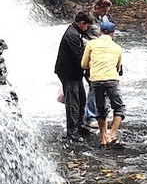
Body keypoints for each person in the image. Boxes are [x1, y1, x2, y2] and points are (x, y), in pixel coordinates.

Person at [81, 19, 125, 147]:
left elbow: (83, 65)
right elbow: (118, 68)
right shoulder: (117, 48)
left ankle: (103, 137)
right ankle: (112, 135)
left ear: (100, 32)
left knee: (100, 109)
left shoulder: (91, 44)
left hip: (95, 80)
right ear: (113, 33)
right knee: (119, 107)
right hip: (111, 79)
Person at [53, 11, 92, 139]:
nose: (88, 28)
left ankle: (80, 126)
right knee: (72, 102)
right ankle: (72, 131)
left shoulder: (77, 32)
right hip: (68, 72)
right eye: (87, 25)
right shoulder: (72, 35)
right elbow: (79, 56)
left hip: (75, 72)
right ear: (82, 23)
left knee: (81, 99)